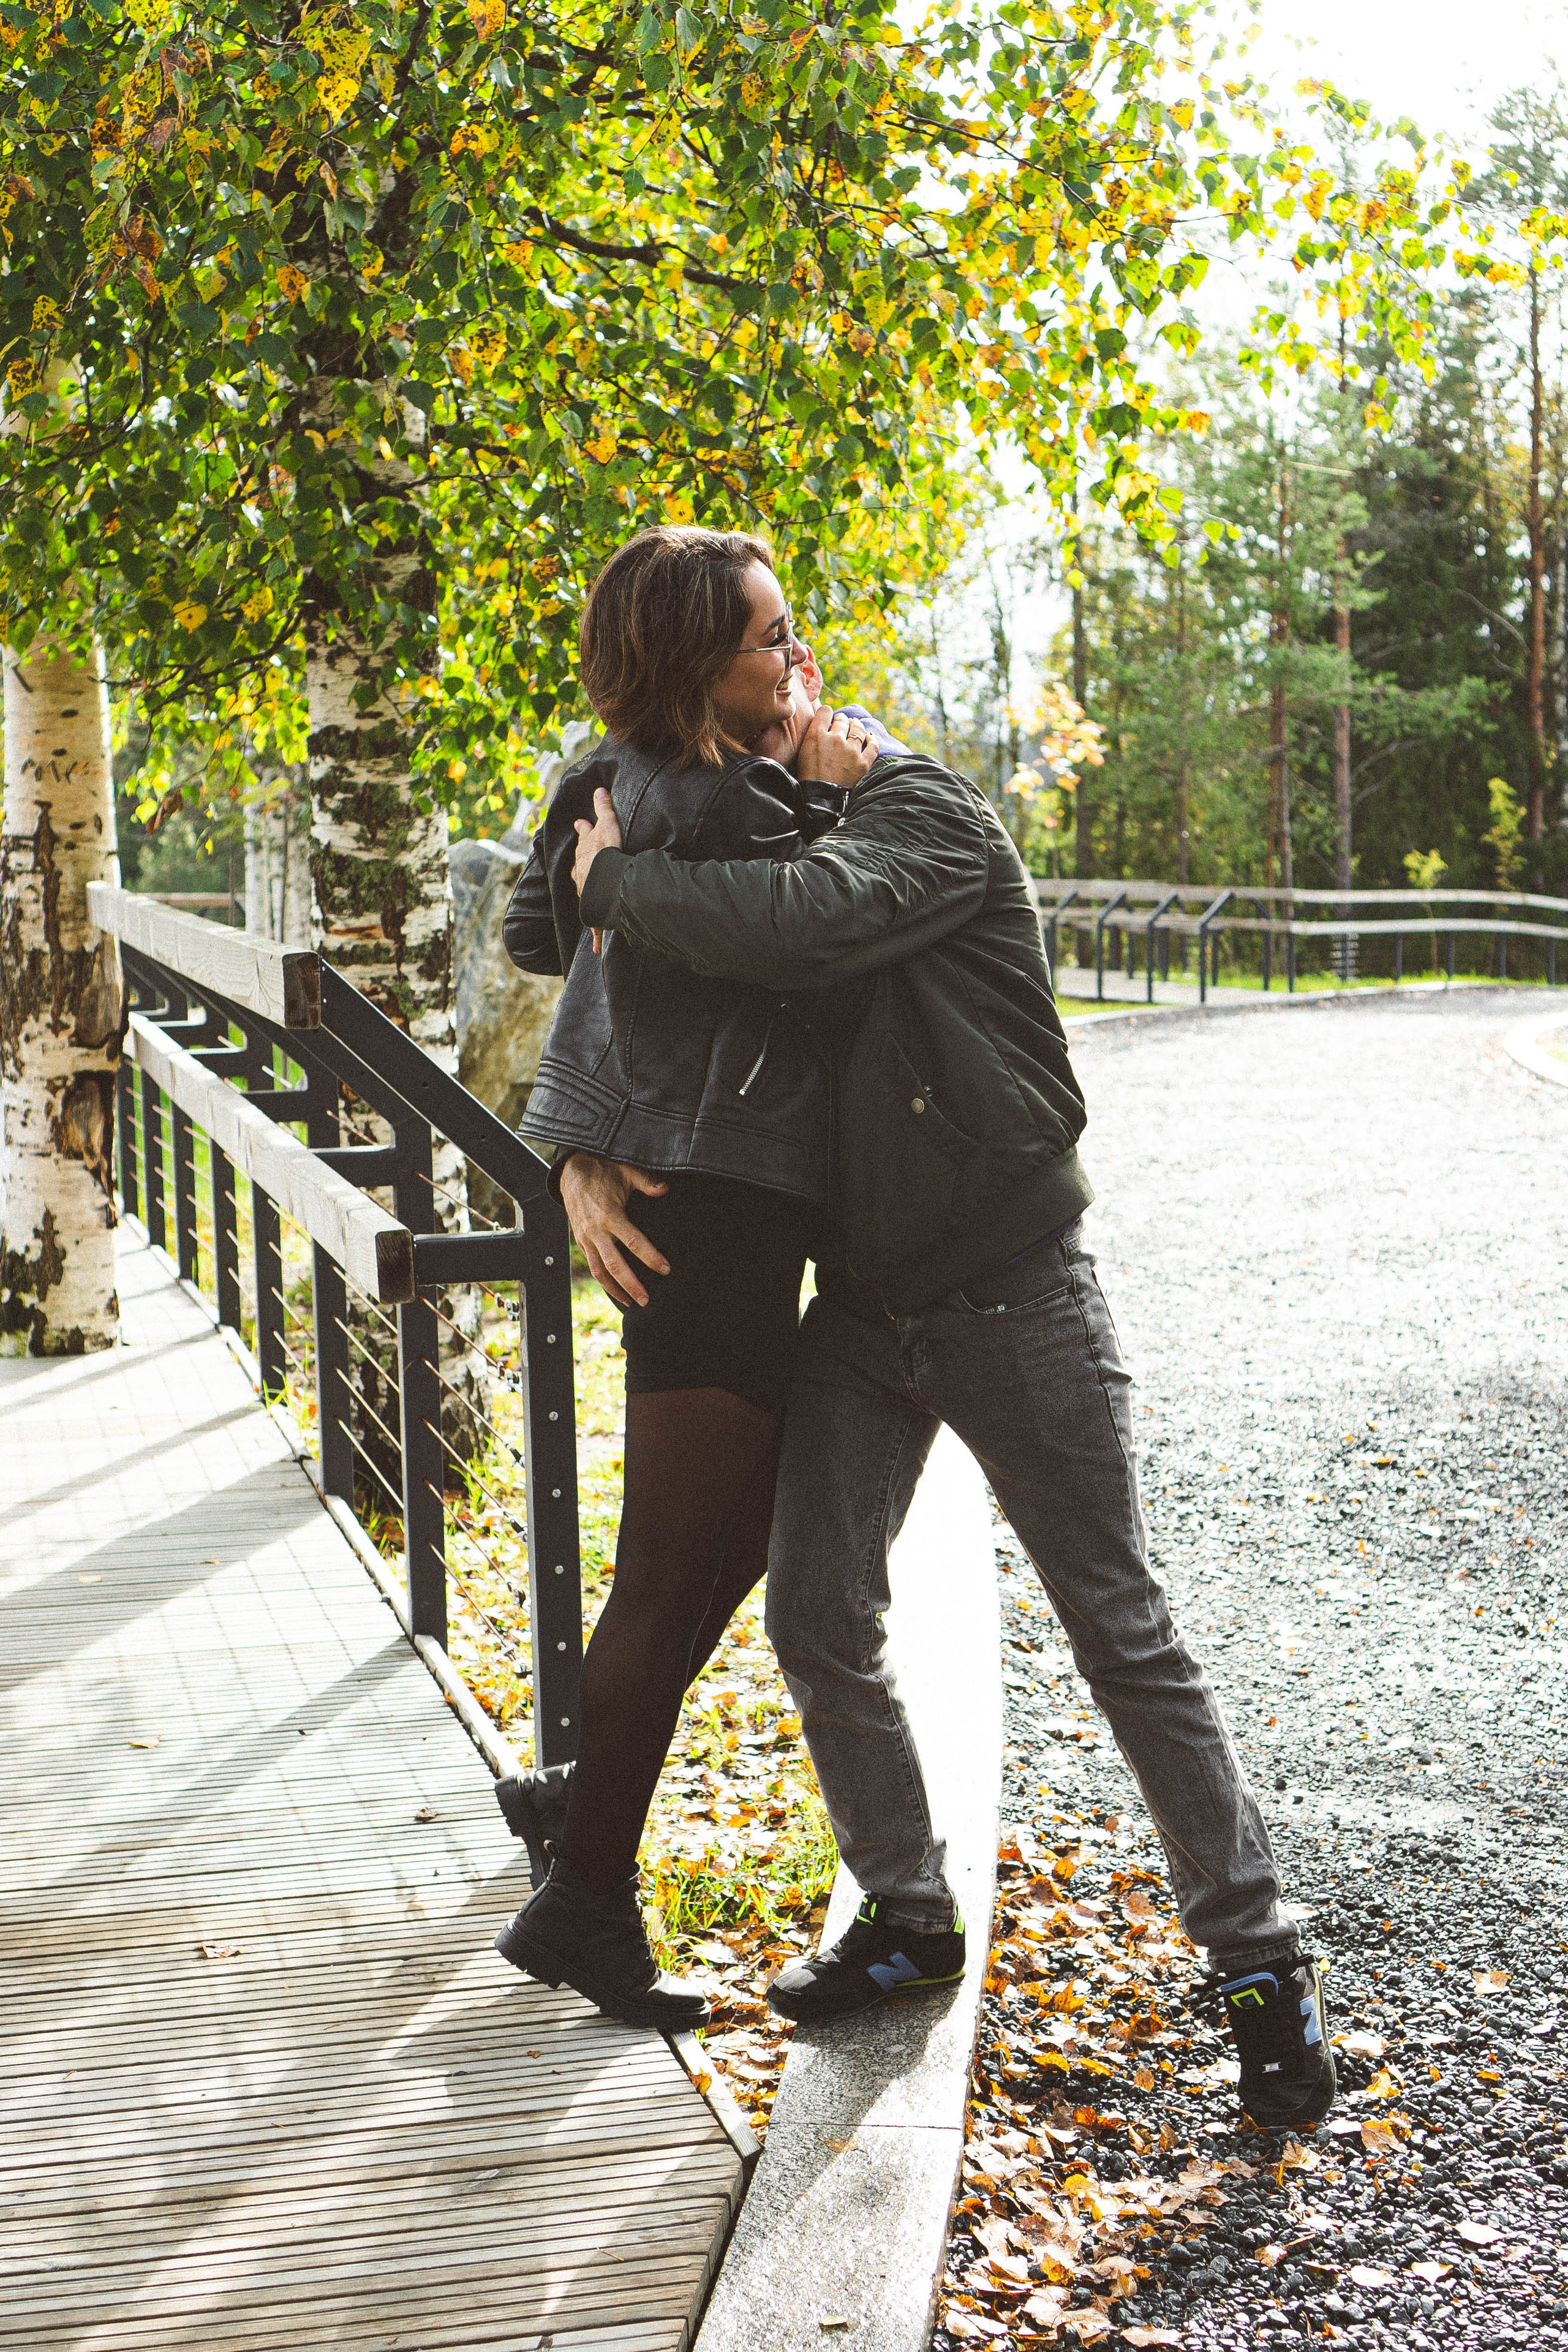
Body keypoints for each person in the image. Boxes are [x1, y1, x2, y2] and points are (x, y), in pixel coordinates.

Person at [564, 721, 1338, 2132]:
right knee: (814, 1609)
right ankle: (909, 1914)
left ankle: (1260, 1967)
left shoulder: (928, 817)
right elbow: (583, 961)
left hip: (1011, 1289)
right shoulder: (763, 838)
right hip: (860, 1307)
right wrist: (573, 1150)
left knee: (1117, 1627)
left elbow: (809, 919)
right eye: (766, 669)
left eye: (802, 660)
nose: (793, 696)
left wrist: (619, 882)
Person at [490, 524, 895, 2030]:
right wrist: (827, 789)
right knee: (665, 1572)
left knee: (742, 1521)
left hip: (695, 1194)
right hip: (713, 1208)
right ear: (691, 662)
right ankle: (588, 1898)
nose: (793, 656)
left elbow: (539, 926)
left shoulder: (603, 778)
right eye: (766, 638)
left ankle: (581, 1800)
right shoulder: (734, 813)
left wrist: (596, 1094)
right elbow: (830, 939)